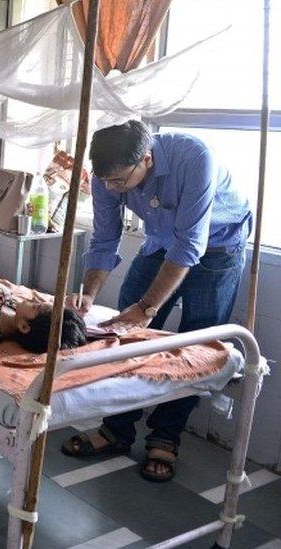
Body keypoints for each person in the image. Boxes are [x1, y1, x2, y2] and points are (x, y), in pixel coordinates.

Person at [62, 120, 252, 482]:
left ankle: (166, 436)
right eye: (105, 181)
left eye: (119, 181)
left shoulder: (195, 157)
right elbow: (104, 239)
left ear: (146, 159)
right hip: (161, 243)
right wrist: (87, 293)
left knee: (196, 345)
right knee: (124, 335)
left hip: (217, 247)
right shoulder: (107, 177)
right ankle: (116, 429)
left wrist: (147, 309)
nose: (111, 187)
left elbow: (190, 246)